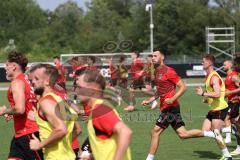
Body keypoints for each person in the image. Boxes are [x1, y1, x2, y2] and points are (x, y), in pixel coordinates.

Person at [142, 50, 229, 160]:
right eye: (152, 56)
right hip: (168, 107)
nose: (153, 58)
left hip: (170, 107)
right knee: (183, 134)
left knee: (155, 132)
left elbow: (183, 87)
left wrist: (172, 99)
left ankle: (149, 159)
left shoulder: (169, 71)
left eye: (155, 56)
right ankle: (210, 134)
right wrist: (151, 99)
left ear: (162, 57)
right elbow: (161, 90)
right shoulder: (157, 71)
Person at [75, 68, 132, 160]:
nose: (76, 91)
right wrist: (91, 156)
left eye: (79, 87)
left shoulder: (99, 110)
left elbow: (126, 132)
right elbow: (107, 146)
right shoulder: (98, 109)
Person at [0, 51, 43, 160]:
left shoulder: (17, 82)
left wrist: (4, 111)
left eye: (7, 65)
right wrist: (12, 112)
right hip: (22, 134)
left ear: (14, 66)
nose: (5, 68)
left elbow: (20, 109)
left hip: (28, 134)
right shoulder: (29, 81)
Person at [29, 63, 77, 160]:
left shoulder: (45, 102)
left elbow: (61, 129)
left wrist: (40, 145)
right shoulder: (60, 100)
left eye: (36, 79)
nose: (32, 82)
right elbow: (77, 129)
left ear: (47, 81)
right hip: (68, 156)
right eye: (32, 79)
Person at [196, 54, 232, 160]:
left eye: (203, 61)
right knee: (205, 131)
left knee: (215, 132)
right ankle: (226, 130)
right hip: (213, 109)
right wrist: (207, 99)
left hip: (220, 109)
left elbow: (217, 94)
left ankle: (227, 156)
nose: (201, 63)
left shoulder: (214, 77)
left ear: (210, 63)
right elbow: (213, 93)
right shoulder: (208, 76)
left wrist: (203, 94)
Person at [221, 60, 240, 144]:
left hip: (235, 101)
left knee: (226, 118)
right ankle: (237, 137)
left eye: (224, 64)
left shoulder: (234, 76)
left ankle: (228, 138)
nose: (223, 66)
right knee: (234, 123)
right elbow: (228, 91)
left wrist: (229, 93)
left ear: (230, 65)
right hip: (230, 101)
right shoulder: (227, 77)